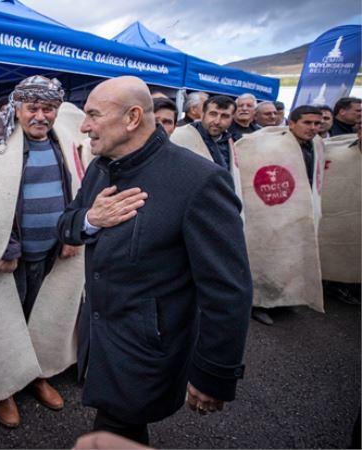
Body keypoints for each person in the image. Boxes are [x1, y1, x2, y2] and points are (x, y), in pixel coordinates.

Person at [57, 76, 252, 445]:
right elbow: (67, 225)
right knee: (119, 428)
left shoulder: (199, 180)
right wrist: (90, 220)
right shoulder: (103, 165)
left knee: (115, 428)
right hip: (101, 335)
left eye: (94, 115)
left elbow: (228, 288)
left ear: (132, 118)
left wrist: (215, 373)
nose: (84, 126)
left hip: (146, 348)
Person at [0, 75, 77, 428]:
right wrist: (7, 244)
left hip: (50, 253)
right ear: (16, 108)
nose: (41, 115)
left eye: (48, 108)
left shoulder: (62, 143)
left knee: (39, 317)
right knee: (5, 322)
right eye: (32, 107)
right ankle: (2, 389)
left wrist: (70, 235)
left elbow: (73, 191)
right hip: (12, 258)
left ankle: (35, 376)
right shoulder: (0, 146)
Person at [251, 105, 324, 326]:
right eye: (307, 123)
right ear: (291, 123)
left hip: (301, 210)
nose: (312, 128)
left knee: (292, 256)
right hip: (273, 211)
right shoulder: (271, 146)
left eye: (317, 124)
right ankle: (260, 304)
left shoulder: (316, 145)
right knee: (269, 257)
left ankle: (284, 299)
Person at [190, 95, 236, 171]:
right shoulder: (184, 136)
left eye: (224, 116)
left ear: (232, 119)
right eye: (213, 114)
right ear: (202, 114)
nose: (217, 121)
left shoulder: (234, 143)